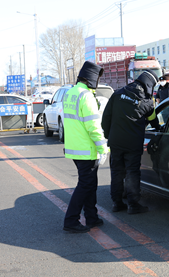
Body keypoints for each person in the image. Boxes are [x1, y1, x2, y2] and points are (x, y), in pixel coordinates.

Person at [102, 69, 161, 214]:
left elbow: (105, 119)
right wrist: (158, 128)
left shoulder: (117, 94)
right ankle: (133, 205)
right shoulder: (147, 102)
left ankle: (117, 203)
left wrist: (109, 135)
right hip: (133, 145)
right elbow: (154, 121)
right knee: (132, 173)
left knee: (116, 172)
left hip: (115, 143)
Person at [63, 61, 109, 233]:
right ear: (91, 79)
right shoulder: (86, 96)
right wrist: (103, 148)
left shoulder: (70, 93)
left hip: (75, 149)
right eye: (97, 78)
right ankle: (71, 220)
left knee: (90, 184)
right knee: (85, 185)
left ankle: (92, 217)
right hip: (87, 150)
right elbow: (93, 127)